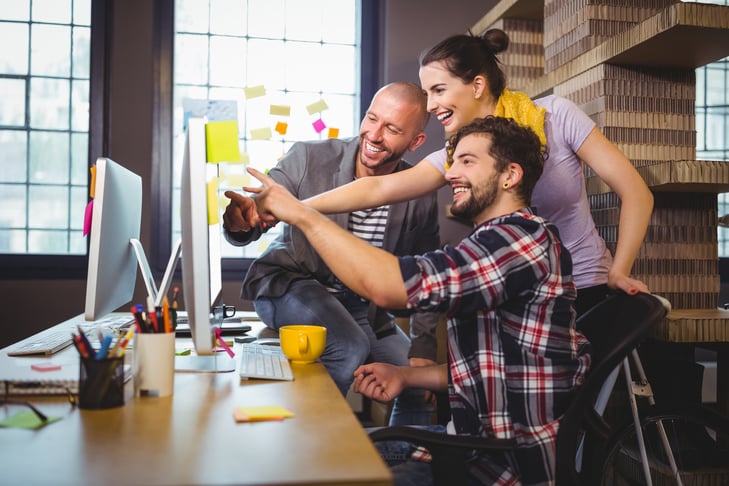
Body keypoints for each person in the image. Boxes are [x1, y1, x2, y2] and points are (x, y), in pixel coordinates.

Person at [245, 116, 592, 485]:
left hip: (499, 466)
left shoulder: (518, 242)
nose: (451, 173)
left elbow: (389, 285)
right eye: (453, 161)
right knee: (322, 453)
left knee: (322, 465)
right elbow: (496, 368)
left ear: (510, 176)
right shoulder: (497, 240)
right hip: (465, 444)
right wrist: (406, 375)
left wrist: (301, 213)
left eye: (467, 161)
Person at [288, 29, 654, 316]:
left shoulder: (555, 116)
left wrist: (619, 271)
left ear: (477, 85)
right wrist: (297, 207)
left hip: (585, 285)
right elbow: (375, 190)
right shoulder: (458, 154)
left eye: (438, 90)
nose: (430, 106)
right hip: (512, 285)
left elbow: (636, 192)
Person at [222, 82, 441, 425]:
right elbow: (262, 207)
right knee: (348, 346)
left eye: (392, 129)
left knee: (415, 378)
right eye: (372, 118)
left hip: (359, 306)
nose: (375, 134)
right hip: (291, 284)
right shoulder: (309, 157)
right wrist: (243, 220)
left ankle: (404, 461)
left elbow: (427, 275)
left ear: (415, 142)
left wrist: (423, 352)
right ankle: (313, 443)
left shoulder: (419, 191)